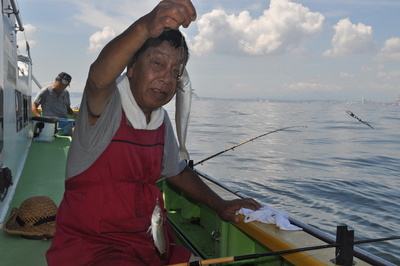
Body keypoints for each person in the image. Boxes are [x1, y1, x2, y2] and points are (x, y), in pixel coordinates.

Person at [46, 1, 261, 265]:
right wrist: (146, 26)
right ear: (131, 68)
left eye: (176, 71)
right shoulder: (106, 105)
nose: (167, 79)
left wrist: (219, 204)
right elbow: (97, 77)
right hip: (93, 250)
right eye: (157, 64)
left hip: (150, 244)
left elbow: (177, 171)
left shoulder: (160, 121)